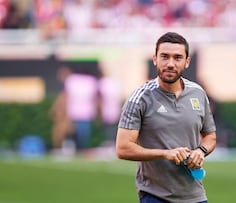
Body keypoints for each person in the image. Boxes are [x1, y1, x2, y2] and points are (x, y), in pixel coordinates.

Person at [116, 32, 217, 203]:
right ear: (155, 59)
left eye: (177, 58)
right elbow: (123, 148)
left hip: (196, 196)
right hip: (156, 196)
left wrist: (201, 151)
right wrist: (165, 154)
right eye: (164, 56)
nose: (170, 63)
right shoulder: (140, 97)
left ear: (187, 62)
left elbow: (210, 136)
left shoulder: (198, 93)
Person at [64, 67, 98, 151]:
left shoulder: (72, 80)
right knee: (83, 133)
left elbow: (67, 96)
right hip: (86, 112)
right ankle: (81, 148)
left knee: (76, 132)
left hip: (74, 111)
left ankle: (77, 148)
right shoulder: (91, 81)